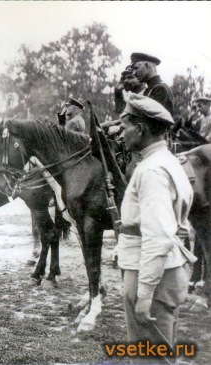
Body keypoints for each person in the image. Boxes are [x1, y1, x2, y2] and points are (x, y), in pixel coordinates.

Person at [117, 93, 195, 362]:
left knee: (150, 360)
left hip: (150, 275)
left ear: (140, 128)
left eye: (124, 126)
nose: (120, 133)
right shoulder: (167, 161)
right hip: (160, 271)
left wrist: (145, 294)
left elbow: (158, 236)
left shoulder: (151, 170)